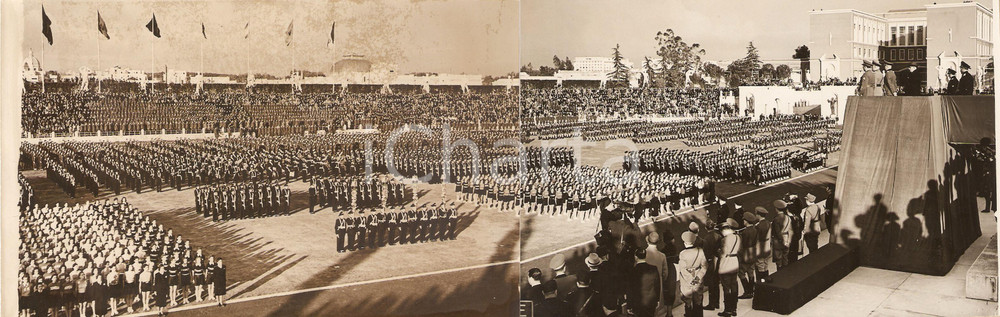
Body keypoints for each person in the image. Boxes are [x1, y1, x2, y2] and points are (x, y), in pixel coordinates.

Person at [678, 231, 706, 317]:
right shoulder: (700, 251)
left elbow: (682, 269)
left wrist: (690, 280)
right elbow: (704, 266)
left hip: (687, 281)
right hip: (698, 277)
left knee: (688, 301)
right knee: (698, 300)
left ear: (684, 242)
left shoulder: (683, 254)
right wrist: (697, 278)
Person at [644, 232, 672, 317]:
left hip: (644, 284)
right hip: (658, 284)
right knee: (656, 308)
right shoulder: (662, 256)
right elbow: (665, 273)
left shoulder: (642, 254)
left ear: (647, 240)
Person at [717, 219, 741, 317]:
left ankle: (727, 310)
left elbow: (722, 253)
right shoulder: (737, 237)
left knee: (726, 288)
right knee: (734, 285)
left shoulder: (724, 240)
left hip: (726, 264)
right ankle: (734, 308)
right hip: (735, 262)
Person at [628, 249, 661, 317]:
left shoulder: (632, 271)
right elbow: (657, 286)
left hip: (638, 303)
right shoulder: (654, 268)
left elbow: (630, 290)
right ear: (645, 256)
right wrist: (657, 300)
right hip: (651, 301)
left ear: (635, 257)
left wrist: (629, 305)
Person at [700, 219, 722, 312]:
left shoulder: (706, 239)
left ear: (706, 228)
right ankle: (716, 302)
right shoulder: (718, 236)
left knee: (711, 284)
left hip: (711, 262)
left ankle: (712, 303)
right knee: (716, 283)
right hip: (718, 260)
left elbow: (706, 253)